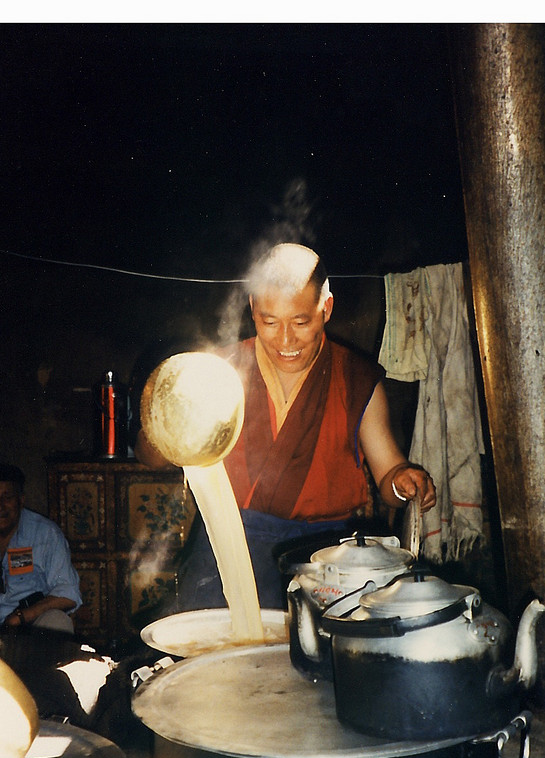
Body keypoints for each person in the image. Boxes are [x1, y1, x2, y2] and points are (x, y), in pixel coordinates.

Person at [134, 243, 436, 610]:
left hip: (327, 559)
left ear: (325, 309)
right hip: (229, 545)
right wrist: (162, 419)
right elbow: (153, 459)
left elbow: (389, 472)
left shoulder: (356, 380)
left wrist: (404, 481)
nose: (286, 340)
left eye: (301, 322)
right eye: (270, 322)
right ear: (252, 309)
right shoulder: (218, 372)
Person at [0, 463, 82, 632]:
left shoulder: (46, 534)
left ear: (21, 500)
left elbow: (69, 594)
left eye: (7, 497)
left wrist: (21, 617)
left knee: (58, 622)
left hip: (27, 628)